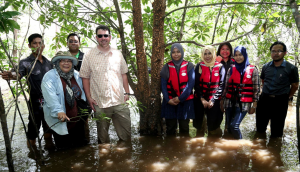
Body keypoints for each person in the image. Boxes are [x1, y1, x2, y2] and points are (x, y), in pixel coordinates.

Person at [80, 25, 131, 143]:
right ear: (96, 37)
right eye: (100, 36)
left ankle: (126, 158)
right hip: (100, 102)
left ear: (110, 37)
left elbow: (124, 74)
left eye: (106, 35)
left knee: (126, 136)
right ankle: (104, 159)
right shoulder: (89, 55)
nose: (103, 38)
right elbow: (85, 77)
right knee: (103, 140)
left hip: (119, 100)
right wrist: (89, 98)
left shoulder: (117, 53)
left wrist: (127, 92)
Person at [0, 33, 53, 147]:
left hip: (50, 102)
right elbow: (18, 74)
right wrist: (11, 75)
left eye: (40, 43)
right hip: (35, 102)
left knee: (49, 128)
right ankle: (32, 154)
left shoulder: (49, 62)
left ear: (43, 45)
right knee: (33, 130)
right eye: (35, 43)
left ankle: (50, 153)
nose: (38, 46)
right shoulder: (25, 62)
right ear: (29, 46)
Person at [41, 51, 88, 148]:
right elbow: (50, 96)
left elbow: (83, 93)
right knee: (63, 149)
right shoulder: (50, 76)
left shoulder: (76, 75)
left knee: (80, 147)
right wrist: (59, 111)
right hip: (60, 120)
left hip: (77, 119)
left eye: (69, 61)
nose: (66, 63)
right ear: (57, 63)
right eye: (63, 61)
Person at [256, 41, 299, 138]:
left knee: (277, 131)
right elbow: (263, 80)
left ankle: (274, 149)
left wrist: (288, 96)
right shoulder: (266, 66)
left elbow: (295, 85)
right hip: (264, 99)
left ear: (285, 53)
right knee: (260, 128)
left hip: (280, 101)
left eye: (279, 51)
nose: (276, 53)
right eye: (273, 51)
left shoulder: (291, 68)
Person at [221, 46, 260, 139]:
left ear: (245, 55)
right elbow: (226, 86)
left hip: (244, 102)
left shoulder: (253, 69)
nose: (238, 57)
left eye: (240, 55)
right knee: (228, 127)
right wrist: (222, 102)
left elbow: (256, 90)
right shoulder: (231, 69)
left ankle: (240, 145)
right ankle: (231, 149)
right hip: (230, 101)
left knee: (234, 126)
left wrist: (254, 106)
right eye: (236, 55)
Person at [160, 43, 195, 135]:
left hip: (185, 102)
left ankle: (183, 148)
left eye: (178, 52)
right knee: (170, 128)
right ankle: (171, 148)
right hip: (170, 102)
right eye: (173, 52)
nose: (176, 54)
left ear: (182, 52)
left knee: (184, 127)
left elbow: (190, 85)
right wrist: (168, 100)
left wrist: (180, 98)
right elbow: (163, 86)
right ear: (171, 54)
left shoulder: (189, 66)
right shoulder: (166, 67)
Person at [193, 46, 225, 135]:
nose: (207, 56)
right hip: (200, 99)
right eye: (205, 54)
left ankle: (212, 142)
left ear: (213, 54)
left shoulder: (220, 67)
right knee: (199, 126)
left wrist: (213, 100)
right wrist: (202, 99)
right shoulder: (199, 66)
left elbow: (222, 85)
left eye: (209, 53)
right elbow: (196, 84)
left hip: (214, 99)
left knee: (213, 127)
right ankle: (199, 145)